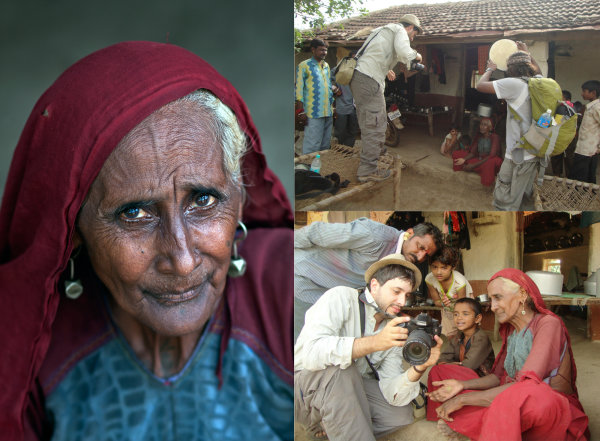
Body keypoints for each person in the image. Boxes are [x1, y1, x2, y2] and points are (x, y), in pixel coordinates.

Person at [0, 42, 294, 440]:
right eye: (135, 213)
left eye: (204, 200)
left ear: (240, 197)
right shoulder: (26, 351)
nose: (183, 259)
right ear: (70, 230)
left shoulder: (289, 286)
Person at [426, 269, 590, 441]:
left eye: (498, 297)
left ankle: (472, 423)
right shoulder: (511, 331)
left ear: (522, 295)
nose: (493, 306)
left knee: (524, 396)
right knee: (442, 373)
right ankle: (476, 421)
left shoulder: (548, 324)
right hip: (510, 396)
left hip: (544, 406)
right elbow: (497, 377)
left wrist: (464, 399)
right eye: (491, 299)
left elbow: (528, 384)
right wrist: (461, 385)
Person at [294, 254, 443, 441]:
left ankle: (335, 425)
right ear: (374, 285)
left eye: (407, 295)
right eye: (396, 291)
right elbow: (310, 352)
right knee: (342, 371)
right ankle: (336, 423)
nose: (403, 302)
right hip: (304, 389)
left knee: (399, 415)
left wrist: (419, 368)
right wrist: (374, 343)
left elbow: (392, 392)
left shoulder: (393, 329)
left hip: (347, 391)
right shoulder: (341, 297)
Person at [294, 218, 443, 340]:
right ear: (410, 233)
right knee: (302, 342)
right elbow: (317, 233)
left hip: (326, 294)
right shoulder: (375, 236)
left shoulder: (399, 262)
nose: (420, 256)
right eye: (420, 247)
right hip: (302, 277)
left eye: (426, 255)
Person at [350, 14, 424, 182]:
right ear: (411, 28)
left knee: (377, 120)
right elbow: (406, 53)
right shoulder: (399, 30)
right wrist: (417, 56)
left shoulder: (383, 31)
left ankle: (378, 153)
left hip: (363, 79)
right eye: (414, 34)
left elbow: (375, 55)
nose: (412, 38)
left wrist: (385, 69)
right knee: (374, 124)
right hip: (368, 80)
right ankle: (367, 170)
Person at [476, 42, 543, 210]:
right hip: (529, 148)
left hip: (520, 150)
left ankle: (507, 209)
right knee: (517, 188)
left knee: (511, 194)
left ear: (511, 69)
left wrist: (490, 69)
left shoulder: (514, 83)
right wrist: (528, 53)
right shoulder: (537, 82)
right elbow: (540, 72)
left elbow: (479, 85)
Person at [430, 298, 495, 380]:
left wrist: (451, 365)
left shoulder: (481, 339)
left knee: (443, 374)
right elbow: (444, 357)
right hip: (462, 372)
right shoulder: (459, 336)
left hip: (480, 379)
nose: (459, 318)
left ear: (477, 318)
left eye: (465, 314)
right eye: (456, 314)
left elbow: (468, 366)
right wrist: (453, 364)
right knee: (435, 371)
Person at [296, 39, 335, 154]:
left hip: (328, 111)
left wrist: (332, 107)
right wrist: (300, 110)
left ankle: (320, 169)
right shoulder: (304, 66)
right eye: (321, 50)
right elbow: (298, 89)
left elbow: (328, 87)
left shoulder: (326, 66)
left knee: (325, 144)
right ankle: (308, 169)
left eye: (326, 50)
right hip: (313, 112)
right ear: (313, 50)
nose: (324, 52)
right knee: (312, 143)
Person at [425, 246, 473, 336]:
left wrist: (453, 306)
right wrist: (443, 303)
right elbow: (436, 301)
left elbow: (462, 306)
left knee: (467, 330)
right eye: (434, 267)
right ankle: (455, 347)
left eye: (444, 268)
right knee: (450, 334)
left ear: (453, 267)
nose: (438, 272)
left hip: (464, 302)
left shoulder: (459, 281)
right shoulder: (429, 279)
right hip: (446, 305)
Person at [452, 117, 503, 187]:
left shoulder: (495, 137)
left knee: (490, 162)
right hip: (480, 160)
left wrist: (473, 165)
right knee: (457, 154)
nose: (482, 127)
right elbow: (473, 153)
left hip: (490, 161)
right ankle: (475, 169)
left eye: (485, 125)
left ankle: (476, 170)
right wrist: (464, 159)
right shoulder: (479, 136)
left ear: (490, 128)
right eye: (481, 124)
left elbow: (492, 155)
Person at [568, 80, 600, 183]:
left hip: (588, 150)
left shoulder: (597, 107)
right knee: (584, 178)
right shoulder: (590, 107)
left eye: (584, 91)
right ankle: (585, 198)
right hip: (583, 149)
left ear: (593, 93)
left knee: (582, 178)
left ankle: (581, 198)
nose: (582, 94)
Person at [332, 51, 359, 147]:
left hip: (355, 108)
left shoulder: (360, 72)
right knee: (341, 130)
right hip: (343, 106)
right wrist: (334, 89)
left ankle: (348, 152)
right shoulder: (339, 70)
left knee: (353, 131)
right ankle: (340, 150)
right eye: (354, 59)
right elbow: (327, 80)